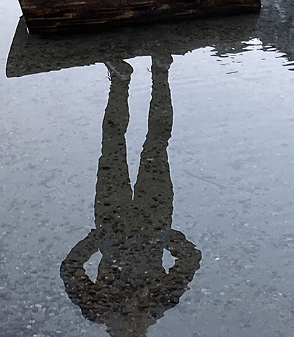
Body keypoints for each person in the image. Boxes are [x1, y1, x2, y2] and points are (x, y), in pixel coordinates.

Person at [59, 56, 201, 336]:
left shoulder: (100, 309)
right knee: (150, 146)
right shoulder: (156, 305)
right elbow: (190, 258)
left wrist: (99, 238)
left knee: (126, 146)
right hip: (144, 219)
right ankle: (158, 73)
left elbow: (70, 269)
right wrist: (163, 236)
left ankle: (127, 79)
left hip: (118, 220)